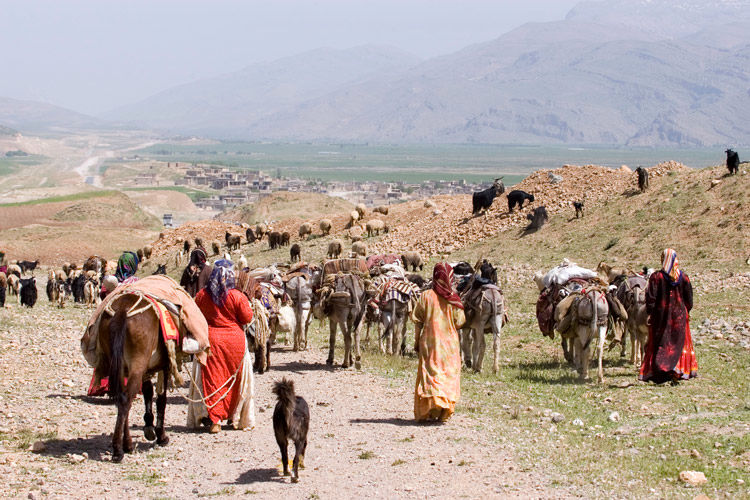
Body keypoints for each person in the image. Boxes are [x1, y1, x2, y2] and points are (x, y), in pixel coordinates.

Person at [193, 260, 255, 432]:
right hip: (234, 343)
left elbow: (196, 316)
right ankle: (234, 417)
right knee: (235, 380)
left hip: (211, 341)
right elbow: (247, 318)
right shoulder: (236, 296)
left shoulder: (202, 295)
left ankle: (215, 419)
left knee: (213, 379)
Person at [411, 262, 466, 422]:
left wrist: (416, 341)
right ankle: (444, 411)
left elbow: (417, 321)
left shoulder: (426, 296)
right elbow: (460, 321)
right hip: (449, 345)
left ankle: (429, 408)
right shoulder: (454, 300)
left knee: (431, 374)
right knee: (448, 374)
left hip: (430, 342)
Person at [639, 249, 697, 384]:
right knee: (678, 342)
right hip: (679, 317)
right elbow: (689, 300)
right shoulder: (684, 277)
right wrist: (685, 311)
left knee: (662, 342)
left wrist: (650, 312)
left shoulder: (656, 277)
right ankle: (679, 369)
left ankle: (662, 370)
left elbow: (651, 298)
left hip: (661, 316)